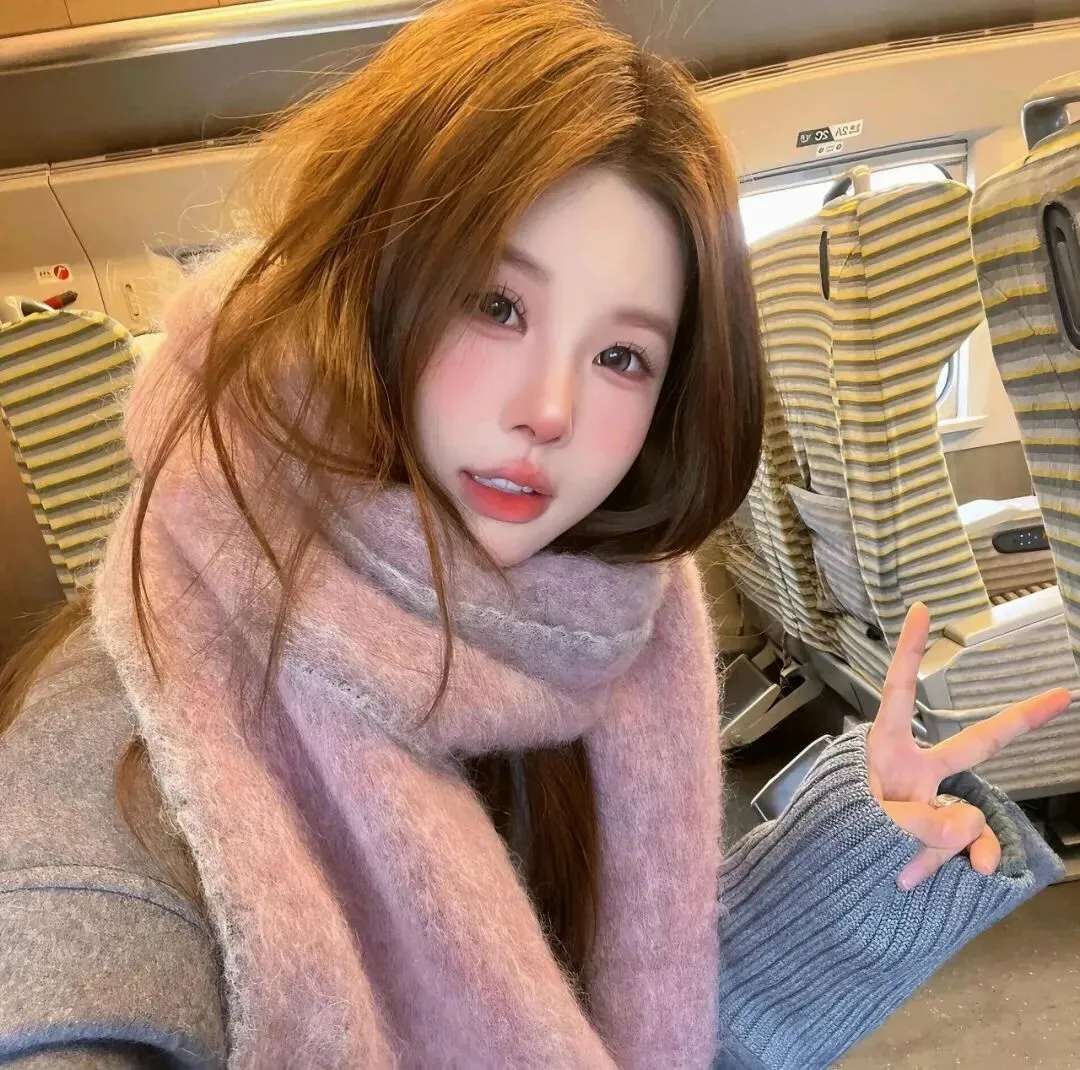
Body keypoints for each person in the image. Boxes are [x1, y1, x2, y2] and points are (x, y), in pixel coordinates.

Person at [0, 1, 1070, 1068]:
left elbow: (606, 1025)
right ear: (364, 279)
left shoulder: (584, 632)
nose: (550, 410)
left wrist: (857, 848)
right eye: (496, 304)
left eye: (622, 357)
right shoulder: (120, 747)